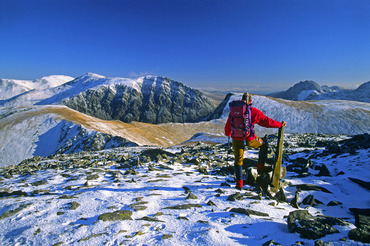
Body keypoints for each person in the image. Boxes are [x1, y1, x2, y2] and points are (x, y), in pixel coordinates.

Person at [224, 92, 286, 190]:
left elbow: (228, 125)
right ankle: (260, 167)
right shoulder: (253, 111)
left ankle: (239, 184)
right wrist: (279, 125)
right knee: (264, 144)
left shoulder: (234, 111)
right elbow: (266, 121)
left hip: (236, 138)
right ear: (251, 101)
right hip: (249, 138)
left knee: (238, 160)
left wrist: (228, 133)